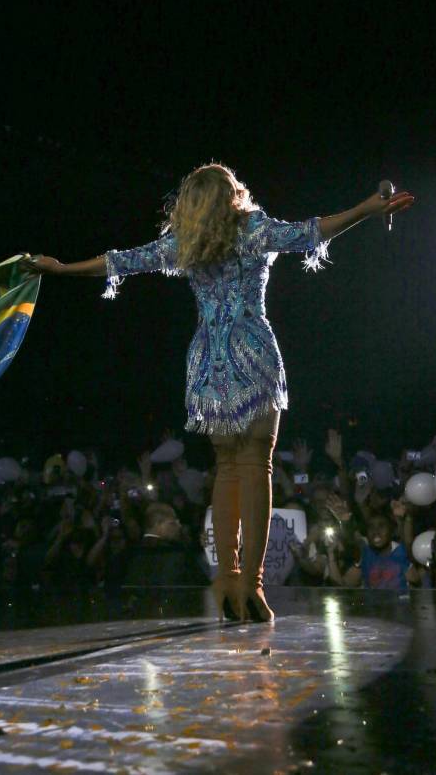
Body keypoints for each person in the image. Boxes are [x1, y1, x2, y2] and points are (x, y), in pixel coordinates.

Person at [21, 162, 413, 621]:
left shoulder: (186, 244)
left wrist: (61, 269)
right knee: (257, 466)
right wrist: (369, 207)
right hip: (253, 354)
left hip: (208, 362)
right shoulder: (253, 229)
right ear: (233, 196)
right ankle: (252, 585)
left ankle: (226, 577)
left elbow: (119, 261)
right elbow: (312, 231)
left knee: (226, 468)